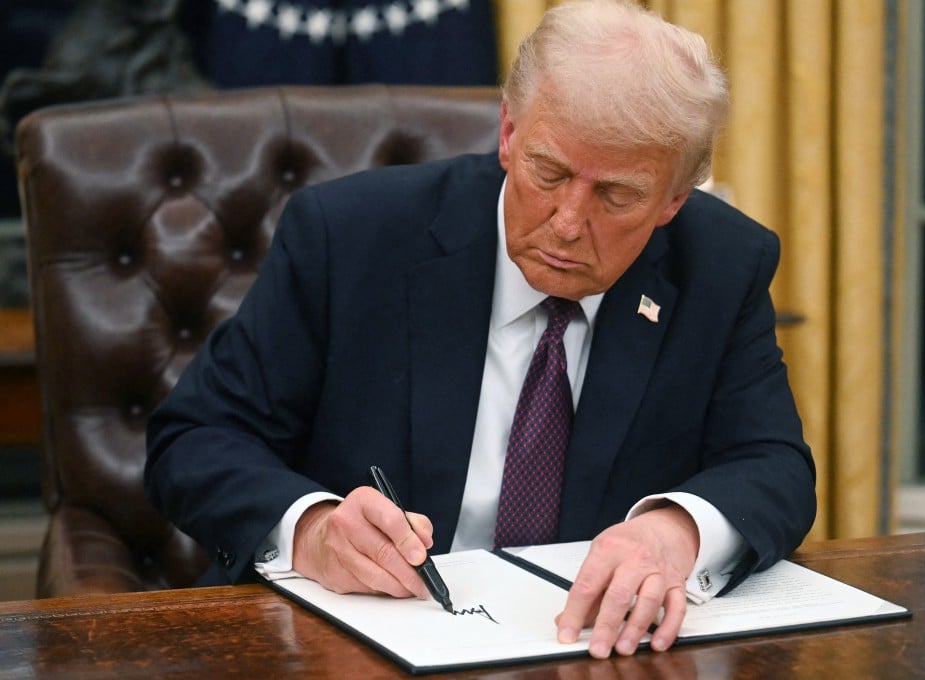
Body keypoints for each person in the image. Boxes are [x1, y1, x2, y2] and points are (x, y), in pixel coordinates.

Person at [145, 0, 816, 660]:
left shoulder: (721, 266)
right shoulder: (349, 238)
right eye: (547, 172)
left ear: (675, 198)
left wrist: (675, 534)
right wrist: (313, 528)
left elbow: (774, 466)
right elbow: (195, 439)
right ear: (508, 132)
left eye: (616, 195)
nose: (567, 222)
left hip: (589, 651)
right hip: (355, 649)